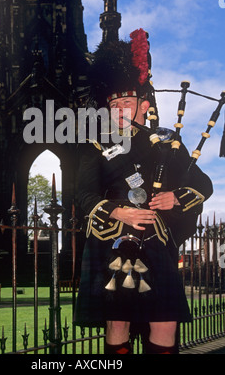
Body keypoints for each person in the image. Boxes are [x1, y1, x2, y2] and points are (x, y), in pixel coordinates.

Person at [74, 29, 213, 354]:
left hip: (157, 241)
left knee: (165, 321)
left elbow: (203, 184)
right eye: (115, 104)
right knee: (117, 321)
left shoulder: (168, 144)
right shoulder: (97, 146)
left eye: (127, 102)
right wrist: (118, 210)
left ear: (144, 104)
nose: (120, 109)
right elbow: (83, 195)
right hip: (111, 240)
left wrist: (178, 197)